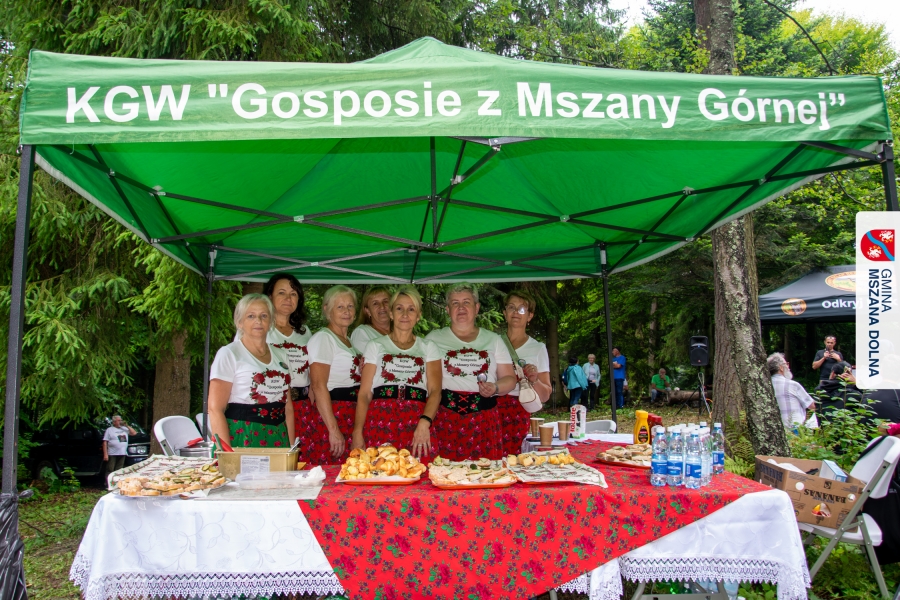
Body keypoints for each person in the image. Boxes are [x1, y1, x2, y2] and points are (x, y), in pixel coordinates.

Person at [426, 283, 517, 461]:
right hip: (445, 419)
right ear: (447, 309)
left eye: (466, 302)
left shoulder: (493, 340)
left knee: (485, 474)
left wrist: (495, 387)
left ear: (476, 308)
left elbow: (510, 379)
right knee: (445, 474)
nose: (461, 308)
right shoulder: (433, 339)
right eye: (455, 303)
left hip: (484, 419)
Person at [352, 285, 442, 459]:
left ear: (418, 315)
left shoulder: (428, 347)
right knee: (379, 470)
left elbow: (435, 391)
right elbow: (364, 394)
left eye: (411, 309)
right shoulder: (375, 345)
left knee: (419, 471)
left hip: (417, 419)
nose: (405, 314)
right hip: (380, 418)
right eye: (399, 308)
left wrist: (425, 422)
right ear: (391, 313)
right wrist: (357, 431)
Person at [209, 294, 295, 448]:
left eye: (264, 315)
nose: (258, 321)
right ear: (239, 322)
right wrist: (225, 452)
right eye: (251, 316)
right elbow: (215, 409)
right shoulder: (229, 353)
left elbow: (287, 407)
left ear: (271, 321)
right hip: (243, 434)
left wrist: (291, 448)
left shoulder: (281, 355)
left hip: (278, 434)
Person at [308, 285, 363, 463]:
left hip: (350, 412)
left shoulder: (347, 341)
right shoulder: (324, 338)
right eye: (340, 307)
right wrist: (333, 429)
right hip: (334, 413)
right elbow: (318, 385)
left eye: (350, 306)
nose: (346, 311)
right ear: (327, 309)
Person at [263, 274, 313, 458]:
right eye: (281, 293)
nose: (288, 298)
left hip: (302, 407)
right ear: (270, 296)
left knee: (301, 459)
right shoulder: (260, 328)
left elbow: (312, 368)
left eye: (293, 294)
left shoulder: (304, 332)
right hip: (273, 407)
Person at [500, 290, 550, 456]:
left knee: (512, 458)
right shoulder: (492, 343)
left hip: (517, 412)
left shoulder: (537, 348)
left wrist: (534, 379)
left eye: (522, 309)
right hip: (490, 410)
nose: (516, 312)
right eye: (511, 307)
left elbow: (545, 395)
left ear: (530, 316)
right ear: (505, 313)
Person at [767, 352, 816, 430]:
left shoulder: (766, 386)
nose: (788, 367)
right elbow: (812, 406)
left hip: (774, 430)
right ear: (781, 368)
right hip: (795, 430)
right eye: (786, 364)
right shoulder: (792, 385)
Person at [351, 286, 392, 353]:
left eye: (385, 301)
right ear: (368, 311)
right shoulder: (362, 332)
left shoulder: (400, 333)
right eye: (375, 303)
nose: (382, 307)